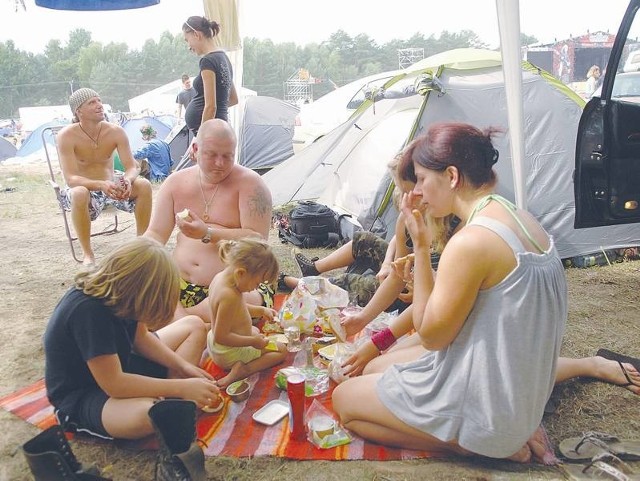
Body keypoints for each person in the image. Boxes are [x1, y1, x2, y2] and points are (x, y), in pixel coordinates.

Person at [333, 122, 567, 462]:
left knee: (345, 400)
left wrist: (423, 247)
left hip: (492, 413)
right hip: (520, 399)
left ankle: (466, 443)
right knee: (376, 370)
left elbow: (431, 336)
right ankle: (492, 435)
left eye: (424, 179)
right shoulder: (520, 218)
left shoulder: (471, 242)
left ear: (452, 176)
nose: (421, 192)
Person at [44, 237, 220, 440]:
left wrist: (182, 366)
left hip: (120, 364)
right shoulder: (88, 312)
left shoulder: (120, 294)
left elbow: (142, 338)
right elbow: (114, 384)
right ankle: (170, 396)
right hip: (85, 393)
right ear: (140, 292)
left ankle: (171, 395)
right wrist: (181, 387)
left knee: (194, 325)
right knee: (151, 416)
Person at [144, 119, 273, 323]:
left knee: (235, 302)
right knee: (140, 292)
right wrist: (133, 260)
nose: (220, 164)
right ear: (195, 149)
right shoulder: (175, 183)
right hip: (179, 283)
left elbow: (259, 240)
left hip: (236, 284)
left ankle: (181, 320)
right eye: (212, 155)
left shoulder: (251, 184)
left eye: (227, 156)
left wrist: (208, 234)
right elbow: (156, 234)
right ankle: (185, 319)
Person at [57, 88, 152, 266]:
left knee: (144, 185)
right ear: (79, 111)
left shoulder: (116, 132)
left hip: (112, 188)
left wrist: (128, 180)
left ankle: (142, 246)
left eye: (99, 100)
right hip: (86, 191)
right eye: (92, 102)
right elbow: (70, 178)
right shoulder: (67, 136)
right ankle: (88, 254)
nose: (99, 105)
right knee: (78, 192)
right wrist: (100, 185)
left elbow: (132, 166)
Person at [207, 238, 286, 387]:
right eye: (257, 283)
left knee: (255, 330)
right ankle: (244, 369)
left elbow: (239, 308)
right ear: (241, 273)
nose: (256, 289)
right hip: (228, 352)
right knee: (281, 350)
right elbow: (221, 336)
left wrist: (261, 310)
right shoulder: (229, 296)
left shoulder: (222, 280)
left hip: (217, 346)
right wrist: (253, 342)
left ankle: (245, 354)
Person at [182, 16, 238, 134]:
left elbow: (210, 107)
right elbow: (233, 99)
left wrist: (201, 139)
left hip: (210, 134)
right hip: (221, 129)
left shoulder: (208, 61)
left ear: (196, 34)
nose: (188, 47)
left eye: (187, 40)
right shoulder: (224, 58)